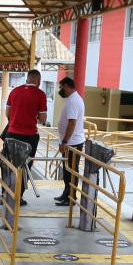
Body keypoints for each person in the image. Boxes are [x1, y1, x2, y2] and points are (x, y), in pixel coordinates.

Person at [4, 69, 47, 205]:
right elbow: (43, 118)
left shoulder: (15, 91)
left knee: (9, 164)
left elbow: (8, 113)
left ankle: (6, 193)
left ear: (27, 78)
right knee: (25, 166)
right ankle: (18, 196)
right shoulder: (40, 94)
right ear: (38, 80)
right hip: (29, 136)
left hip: (11, 134)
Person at [54, 77, 86, 206]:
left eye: (61, 87)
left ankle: (71, 197)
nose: (60, 90)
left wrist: (65, 141)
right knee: (67, 170)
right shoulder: (72, 99)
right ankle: (66, 193)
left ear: (66, 86)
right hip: (70, 142)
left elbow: (72, 123)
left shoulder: (73, 101)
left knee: (71, 171)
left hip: (72, 143)